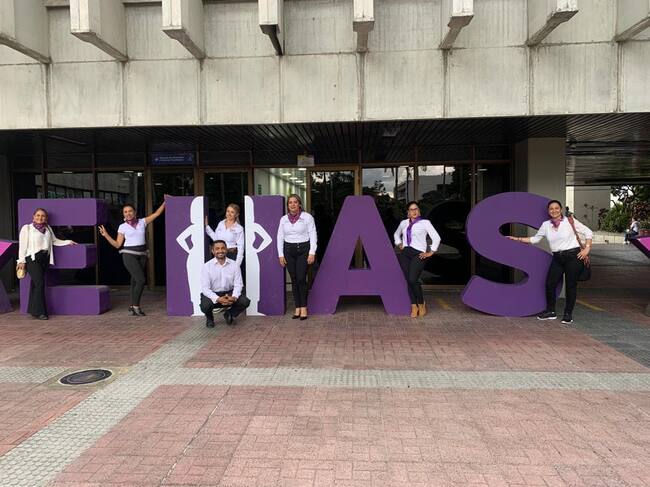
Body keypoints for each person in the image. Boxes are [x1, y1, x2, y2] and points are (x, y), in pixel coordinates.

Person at [507, 199, 593, 324]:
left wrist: (587, 249)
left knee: (570, 286)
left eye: (556, 208)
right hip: (557, 258)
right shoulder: (546, 225)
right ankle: (551, 311)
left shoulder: (570, 221)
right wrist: (516, 238)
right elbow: (535, 239)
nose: (554, 210)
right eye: (551, 209)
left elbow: (588, 232)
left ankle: (568, 314)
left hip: (573, 257)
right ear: (548, 211)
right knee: (550, 284)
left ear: (561, 209)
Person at [98, 198, 166, 316]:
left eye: (130, 211)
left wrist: (165, 202)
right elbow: (117, 244)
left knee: (135, 281)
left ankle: (132, 305)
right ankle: (136, 306)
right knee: (141, 280)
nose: (128, 213)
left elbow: (156, 214)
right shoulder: (122, 227)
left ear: (134, 212)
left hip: (142, 255)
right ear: (123, 214)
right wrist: (106, 235)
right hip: (129, 255)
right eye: (125, 212)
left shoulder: (142, 222)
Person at [17, 208, 77, 320]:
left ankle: (33, 310)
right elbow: (22, 246)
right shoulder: (27, 228)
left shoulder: (48, 228)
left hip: (44, 259)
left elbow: (54, 241)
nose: (40, 218)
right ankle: (41, 312)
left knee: (35, 284)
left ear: (46, 218)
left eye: (43, 216)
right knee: (40, 283)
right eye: (38, 215)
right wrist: (21, 261)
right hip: (32, 259)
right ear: (33, 216)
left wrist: (67, 242)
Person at [394, 201, 441, 318]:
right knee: (408, 280)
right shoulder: (404, 223)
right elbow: (396, 234)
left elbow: (436, 237)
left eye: (416, 209)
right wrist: (399, 244)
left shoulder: (425, 223)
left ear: (418, 211)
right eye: (411, 209)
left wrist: (431, 252)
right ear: (408, 212)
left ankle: (421, 304)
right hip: (405, 253)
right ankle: (413, 306)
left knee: (412, 279)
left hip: (418, 254)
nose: (414, 211)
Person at [277, 194, 317, 320]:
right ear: (287, 205)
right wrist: (280, 255)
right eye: (290, 202)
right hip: (288, 251)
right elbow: (280, 237)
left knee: (301, 278)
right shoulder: (283, 219)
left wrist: (312, 252)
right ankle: (297, 307)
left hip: (303, 250)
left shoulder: (307, 217)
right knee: (294, 279)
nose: (293, 204)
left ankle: (304, 307)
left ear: (299, 204)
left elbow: (313, 234)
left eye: (295, 202)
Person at [200, 240, 250, 327]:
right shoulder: (206, 266)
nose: (220, 251)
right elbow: (205, 288)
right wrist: (218, 299)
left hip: (229, 293)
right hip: (214, 293)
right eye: (217, 248)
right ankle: (209, 318)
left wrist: (234, 297)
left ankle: (229, 313)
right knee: (205, 305)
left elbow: (238, 284)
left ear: (226, 250)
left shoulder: (234, 265)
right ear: (213, 251)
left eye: (223, 248)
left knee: (245, 301)